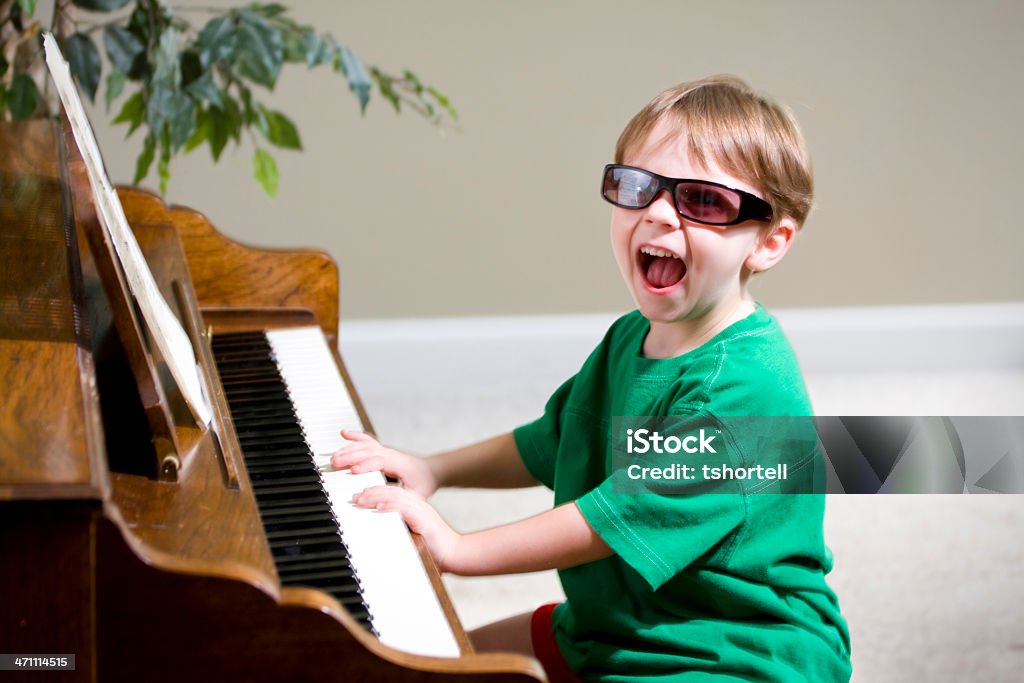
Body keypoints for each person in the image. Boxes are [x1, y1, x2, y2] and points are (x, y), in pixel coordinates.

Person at [332, 75, 852, 681]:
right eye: (639, 187)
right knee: (422, 664)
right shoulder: (630, 337)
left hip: (732, 651)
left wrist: (461, 550)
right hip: (626, 620)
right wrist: (434, 468)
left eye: (703, 201)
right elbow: (554, 438)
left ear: (769, 241)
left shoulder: (744, 391)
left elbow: (610, 520)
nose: (658, 213)